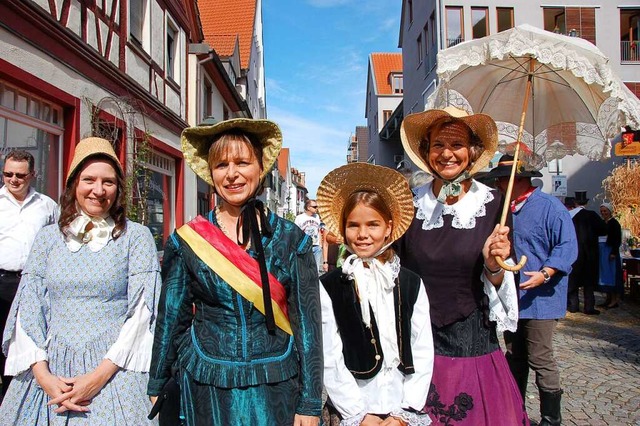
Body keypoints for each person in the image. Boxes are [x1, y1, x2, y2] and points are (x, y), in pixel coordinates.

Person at [148, 118, 323, 426]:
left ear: (260, 167)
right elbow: (171, 318)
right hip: (207, 383)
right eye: (221, 165)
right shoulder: (187, 241)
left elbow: (308, 327)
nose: (232, 174)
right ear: (210, 173)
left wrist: (309, 402)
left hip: (275, 383)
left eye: (243, 162)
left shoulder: (291, 240)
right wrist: (157, 380)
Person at [0, 137, 161, 424]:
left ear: (118, 188)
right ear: (74, 183)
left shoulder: (136, 237)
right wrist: (43, 375)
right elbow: (29, 305)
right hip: (51, 366)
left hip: (113, 368)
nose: (98, 190)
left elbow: (142, 313)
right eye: (89, 179)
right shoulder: (48, 237)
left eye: (108, 182)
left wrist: (97, 379)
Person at [397, 106, 527, 425]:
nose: (447, 154)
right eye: (438, 144)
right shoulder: (407, 204)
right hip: (417, 348)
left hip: (473, 347)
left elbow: (500, 283)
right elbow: (394, 273)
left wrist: (494, 265)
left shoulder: (494, 204)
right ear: (426, 151)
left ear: (472, 151)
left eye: (457, 145)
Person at [317, 163, 434, 426]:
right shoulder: (331, 285)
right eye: (353, 225)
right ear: (342, 228)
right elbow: (330, 353)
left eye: (373, 224)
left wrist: (405, 411)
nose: (363, 235)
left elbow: (422, 346)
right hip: (354, 407)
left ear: (388, 227)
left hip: (399, 404)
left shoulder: (410, 282)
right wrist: (357, 413)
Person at [488, 154, 578, 426]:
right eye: (498, 180)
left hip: (540, 298)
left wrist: (546, 273)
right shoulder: (503, 211)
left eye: (503, 180)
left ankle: (551, 419)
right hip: (511, 298)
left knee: (540, 357)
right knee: (514, 357)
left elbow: (567, 247)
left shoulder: (550, 207)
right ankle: (516, 413)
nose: (499, 185)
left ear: (520, 180)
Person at [0, 149, 58, 399]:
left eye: (20, 175)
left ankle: (17, 398)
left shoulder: (47, 206)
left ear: (32, 175)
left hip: (32, 286)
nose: (13, 179)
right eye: (8, 174)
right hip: (1, 282)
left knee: (25, 343)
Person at [565, 191, 607, 315]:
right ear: (586, 203)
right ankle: (589, 307)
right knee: (588, 281)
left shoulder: (569, 216)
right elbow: (603, 230)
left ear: (575, 203)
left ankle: (573, 305)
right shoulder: (592, 215)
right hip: (590, 252)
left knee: (573, 279)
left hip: (574, 251)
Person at [597, 202, 624, 309]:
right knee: (604, 276)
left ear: (609, 211)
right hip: (602, 251)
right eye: (602, 211)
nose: (604, 213)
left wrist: (613, 252)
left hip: (610, 251)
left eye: (605, 211)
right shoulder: (602, 222)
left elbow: (617, 239)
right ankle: (607, 298)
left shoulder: (614, 223)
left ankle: (614, 300)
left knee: (612, 275)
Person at [295, 199, 323, 274]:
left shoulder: (317, 217)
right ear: (308, 207)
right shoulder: (299, 218)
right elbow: (296, 232)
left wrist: (320, 244)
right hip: (305, 246)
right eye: (314, 206)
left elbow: (319, 230)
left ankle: (315, 284)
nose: (316, 208)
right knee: (304, 268)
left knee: (315, 269)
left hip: (316, 246)